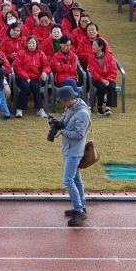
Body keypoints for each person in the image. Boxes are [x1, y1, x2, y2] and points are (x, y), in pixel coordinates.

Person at [50, 83, 91, 225]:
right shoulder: (70, 108)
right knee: (76, 179)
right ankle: (81, 206)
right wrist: (58, 123)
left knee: (68, 180)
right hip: (69, 149)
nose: (62, 102)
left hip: (75, 151)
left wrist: (63, 132)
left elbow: (79, 134)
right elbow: (65, 120)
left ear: (72, 98)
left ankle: (79, 210)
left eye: (64, 99)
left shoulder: (82, 113)